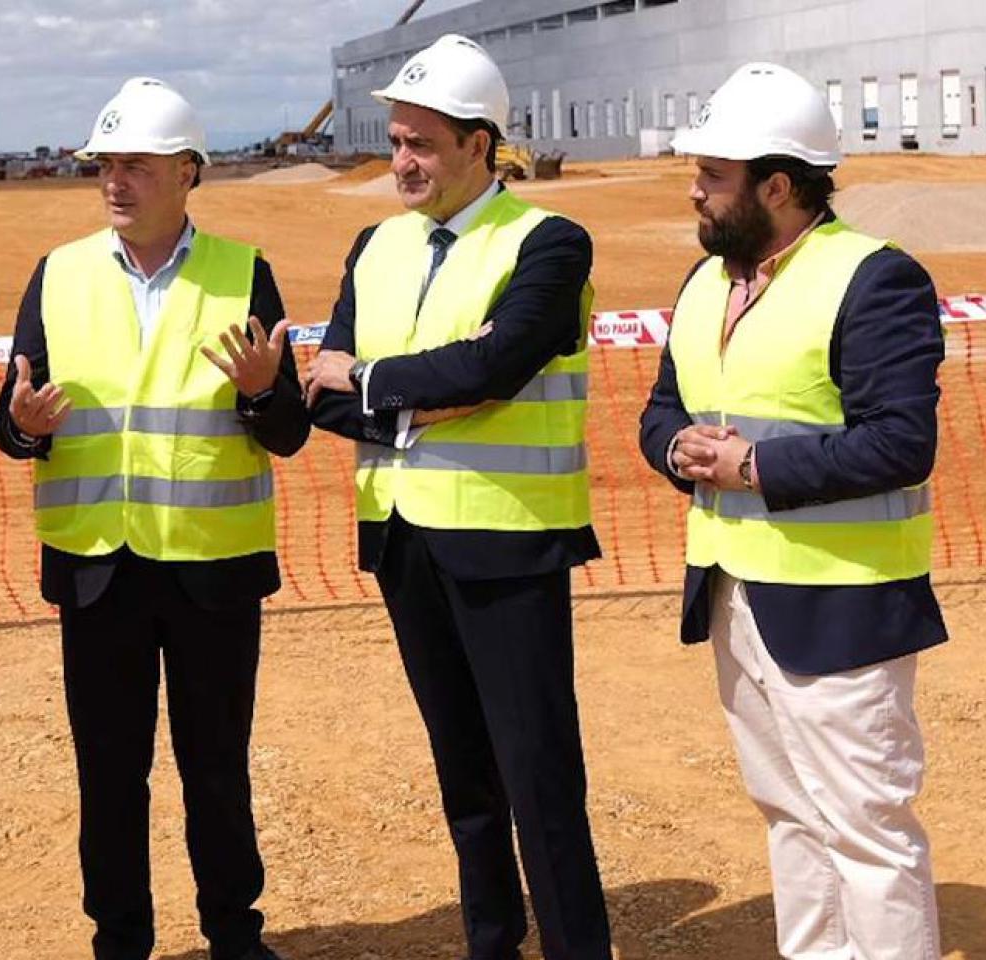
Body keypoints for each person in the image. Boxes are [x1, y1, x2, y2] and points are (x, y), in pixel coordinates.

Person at [304, 35, 612, 960]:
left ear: (481, 145)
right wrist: (417, 395)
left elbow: (497, 364)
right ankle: (491, 941)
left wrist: (374, 378)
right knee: (463, 773)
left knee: (538, 773)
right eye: (396, 140)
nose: (401, 161)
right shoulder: (376, 245)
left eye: (423, 144)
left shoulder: (548, 243)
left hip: (508, 543)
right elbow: (323, 393)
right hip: (404, 540)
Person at [0, 77, 308, 960]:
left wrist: (259, 397)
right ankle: (119, 941)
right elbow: (9, 417)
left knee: (216, 768)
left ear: (187, 173)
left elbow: (288, 432)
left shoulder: (245, 274)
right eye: (105, 165)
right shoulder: (58, 275)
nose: (115, 182)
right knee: (110, 775)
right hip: (99, 573)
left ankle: (233, 935)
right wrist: (23, 428)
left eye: (135, 165)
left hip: (211, 568)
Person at [640, 61, 947, 960]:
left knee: (867, 827)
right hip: (737, 594)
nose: (693, 190)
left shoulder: (873, 278)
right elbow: (665, 404)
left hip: (841, 606)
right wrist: (676, 449)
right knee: (788, 813)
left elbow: (900, 440)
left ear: (778, 184)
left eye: (713, 177)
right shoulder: (707, 283)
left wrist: (751, 464)